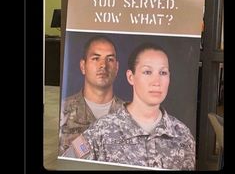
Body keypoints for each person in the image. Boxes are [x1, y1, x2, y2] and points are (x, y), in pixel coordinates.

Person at [67, 42, 195, 170]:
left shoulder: (182, 135)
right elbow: (68, 164)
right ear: (130, 77)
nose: (157, 82)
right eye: (147, 72)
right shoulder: (101, 131)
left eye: (163, 73)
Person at [59, 35, 123, 156]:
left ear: (117, 67)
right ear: (83, 66)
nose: (103, 65)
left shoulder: (132, 114)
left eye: (110, 59)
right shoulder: (62, 111)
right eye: (95, 58)